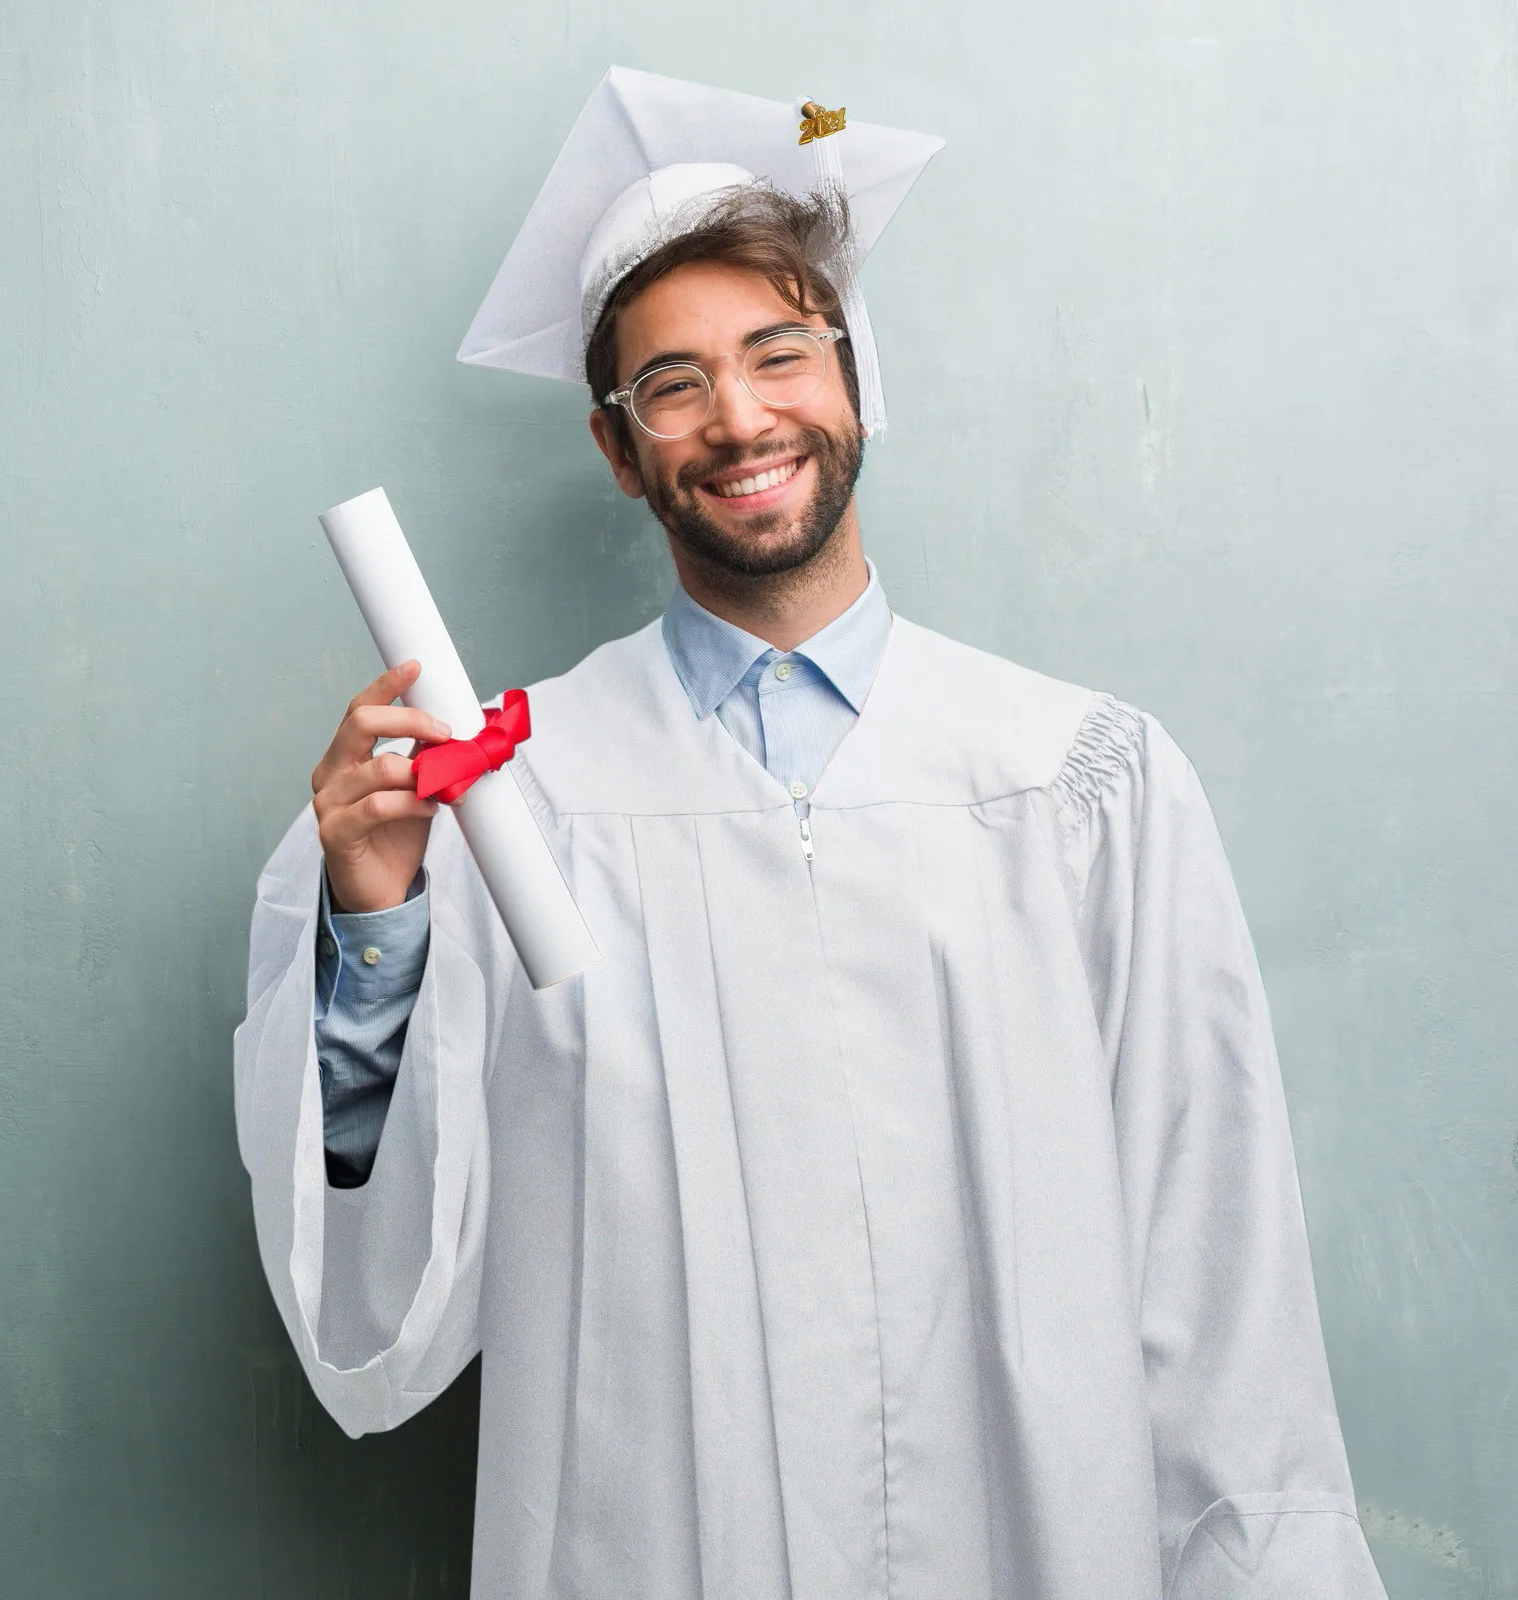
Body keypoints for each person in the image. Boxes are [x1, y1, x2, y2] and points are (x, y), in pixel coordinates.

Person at [235, 66, 1387, 1600]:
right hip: (644, 1542)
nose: (739, 417)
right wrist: (377, 931)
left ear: (853, 376)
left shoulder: (1077, 784)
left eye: (778, 353)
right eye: (673, 385)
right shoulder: (513, 798)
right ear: (617, 446)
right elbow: (389, 1286)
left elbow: (1214, 1262)